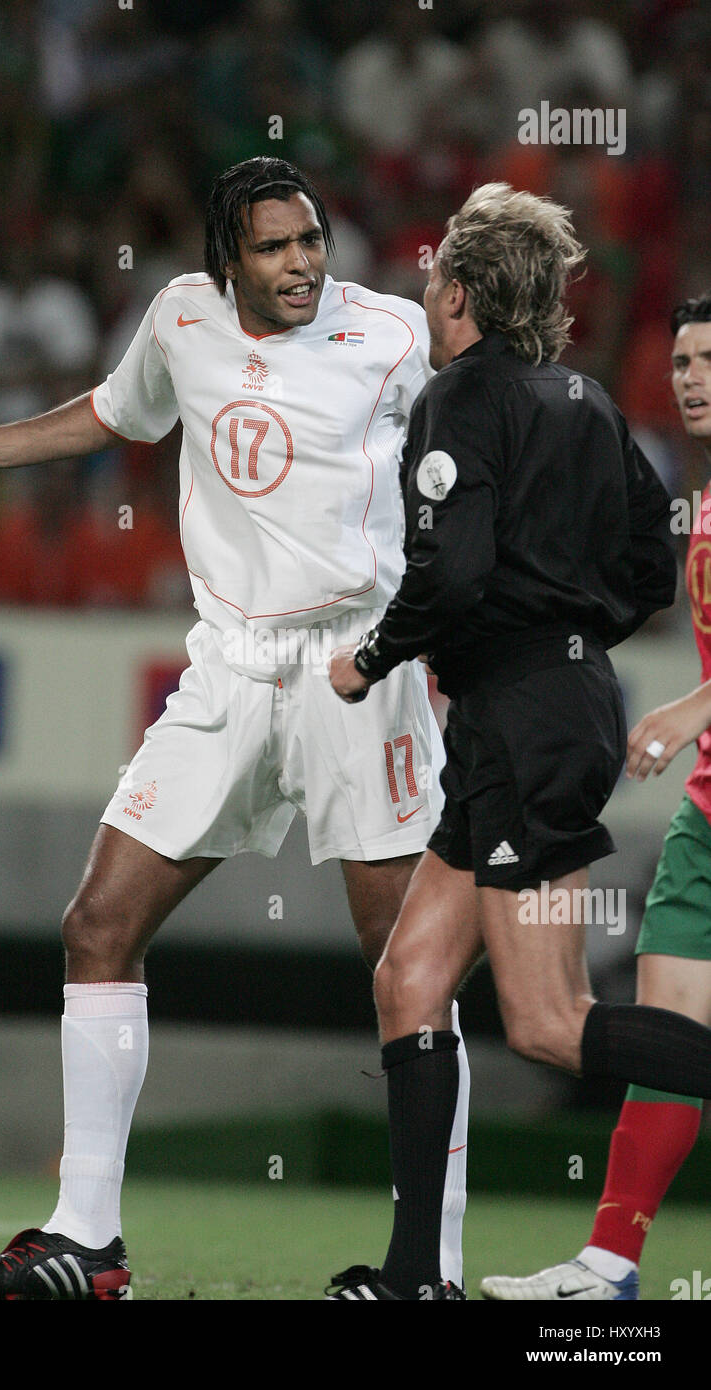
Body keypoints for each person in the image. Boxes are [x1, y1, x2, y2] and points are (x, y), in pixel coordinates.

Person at [0, 157, 470, 1301]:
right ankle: (87, 1242)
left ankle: (425, 1267)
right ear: (223, 260)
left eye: (311, 241)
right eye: (275, 247)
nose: (302, 265)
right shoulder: (178, 318)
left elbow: (489, 421)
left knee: (408, 972)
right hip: (226, 666)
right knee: (97, 921)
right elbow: (111, 412)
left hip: (358, 665)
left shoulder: (392, 333)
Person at [326, 184, 711, 1302]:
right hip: (535, 717)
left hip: (524, 726)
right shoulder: (583, 400)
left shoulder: (459, 399)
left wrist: (371, 658)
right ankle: (411, 1281)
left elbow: (447, 571)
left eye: (432, 269)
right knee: (407, 978)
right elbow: (650, 553)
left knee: (549, 1024)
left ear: (454, 291)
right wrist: (573, 632)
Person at [480, 293, 711, 1301]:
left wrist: (689, 707)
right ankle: (607, 1264)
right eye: (681, 358)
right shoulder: (700, 497)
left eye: (709, 358)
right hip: (706, 821)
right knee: (666, 1039)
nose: (689, 375)